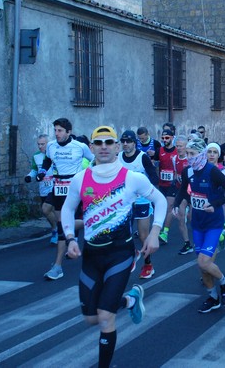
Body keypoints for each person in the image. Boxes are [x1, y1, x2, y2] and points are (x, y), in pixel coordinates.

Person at [62, 126, 166, 368]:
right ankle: (130, 300)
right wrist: (69, 238)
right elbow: (67, 209)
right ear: (92, 148)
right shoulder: (81, 178)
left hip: (120, 254)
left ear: (118, 147)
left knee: (106, 317)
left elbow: (159, 200)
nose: (104, 147)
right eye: (99, 143)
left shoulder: (131, 178)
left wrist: (154, 233)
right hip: (91, 255)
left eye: (109, 142)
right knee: (91, 318)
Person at [173, 138, 225, 313]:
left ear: (201, 154)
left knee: (203, 261)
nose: (188, 157)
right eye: (187, 154)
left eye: (192, 154)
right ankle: (213, 297)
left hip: (213, 224)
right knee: (202, 266)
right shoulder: (188, 172)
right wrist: (176, 204)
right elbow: (182, 190)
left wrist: (215, 204)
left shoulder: (213, 172)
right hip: (198, 224)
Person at [39, 118, 94, 280]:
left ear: (68, 132)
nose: (57, 134)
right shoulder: (51, 146)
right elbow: (48, 160)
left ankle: (57, 266)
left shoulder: (80, 146)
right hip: (58, 187)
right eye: (55, 130)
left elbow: (93, 159)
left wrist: (88, 176)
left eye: (60, 131)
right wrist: (42, 171)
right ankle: (74, 239)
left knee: (68, 224)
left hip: (75, 188)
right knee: (62, 225)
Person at [117, 130, 160, 279]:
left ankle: (148, 264)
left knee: (143, 235)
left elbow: (154, 178)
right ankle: (133, 253)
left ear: (134, 143)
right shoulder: (119, 158)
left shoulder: (143, 158)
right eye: (123, 141)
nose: (125, 144)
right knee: (124, 234)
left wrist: (149, 192)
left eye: (128, 141)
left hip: (142, 201)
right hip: (126, 202)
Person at [25, 134, 58, 244]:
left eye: (42, 144)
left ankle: (56, 231)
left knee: (48, 209)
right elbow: (35, 170)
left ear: (48, 144)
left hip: (54, 187)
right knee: (48, 212)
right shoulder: (36, 156)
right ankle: (57, 229)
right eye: (38, 144)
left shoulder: (55, 153)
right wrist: (29, 176)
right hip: (43, 188)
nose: (40, 146)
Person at [156, 128, 178, 245]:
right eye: (163, 138)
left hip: (173, 184)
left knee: (169, 207)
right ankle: (158, 229)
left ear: (172, 138)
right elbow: (155, 165)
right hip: (162, 184)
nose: (165, 140)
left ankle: (165, 232)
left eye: (167, 138)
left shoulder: (176, 151)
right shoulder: (159, 150)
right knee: (160, 207)